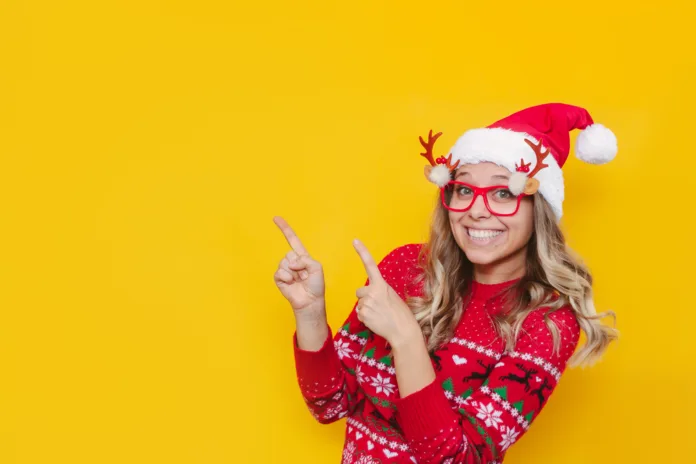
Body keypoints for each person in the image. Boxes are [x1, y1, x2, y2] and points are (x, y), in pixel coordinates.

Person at [273, 103, 619, 463]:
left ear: (540, 208)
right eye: (463, 189)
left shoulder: (545, 322)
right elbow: (330, 404)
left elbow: (452, 459)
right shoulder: (406, 267)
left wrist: (406, 338)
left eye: (503, 193)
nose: (477, 210)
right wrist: (309, 312)